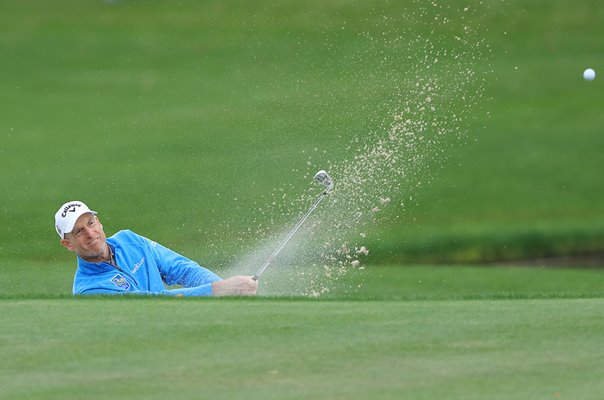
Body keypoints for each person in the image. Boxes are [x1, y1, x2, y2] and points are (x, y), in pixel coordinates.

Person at [55, 200, 258, 296]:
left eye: (90, 224)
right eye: (78, 232)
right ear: (68, 244)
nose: (90, 234)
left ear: (98, 222)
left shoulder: (130, 240)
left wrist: (228, 292)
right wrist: (217, 290)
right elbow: (152, 303)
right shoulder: (88, 290)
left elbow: (182, 269)